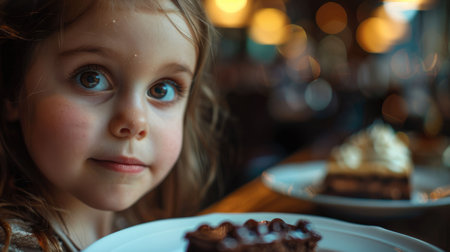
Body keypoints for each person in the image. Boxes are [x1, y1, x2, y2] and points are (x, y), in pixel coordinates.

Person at [0, 0, 228, 250]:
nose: (135, 122)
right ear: (12, 89)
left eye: (162, 90)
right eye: (91, 78)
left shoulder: (148, 235)